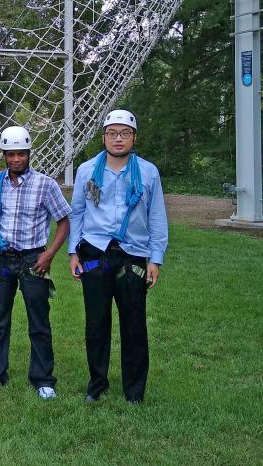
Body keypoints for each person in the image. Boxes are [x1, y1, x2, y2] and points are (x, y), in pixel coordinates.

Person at [68, 109, 168, 404]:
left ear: (134, 137)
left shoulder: (148, 172)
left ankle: (134, 390)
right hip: (95, 252)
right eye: (113, 133)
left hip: (133, 255)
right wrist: (73, 251)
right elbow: (77, 212)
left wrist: (155, 258)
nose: (118, 139)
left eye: (125, 133)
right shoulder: (87, 170)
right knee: (96, 323)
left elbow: (157, 217)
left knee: (134, 324)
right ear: (104, 137)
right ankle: (97, 384)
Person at [0, 126, 71, 398]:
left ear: (29, 154)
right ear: (4, 155)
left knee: (39, 320)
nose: (16, 159)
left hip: (33, 259)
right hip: (1, 258)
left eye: (21, 154)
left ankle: (43, 379)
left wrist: (49, 254)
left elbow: (64, 221)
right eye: (11, 154)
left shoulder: (45, 184)